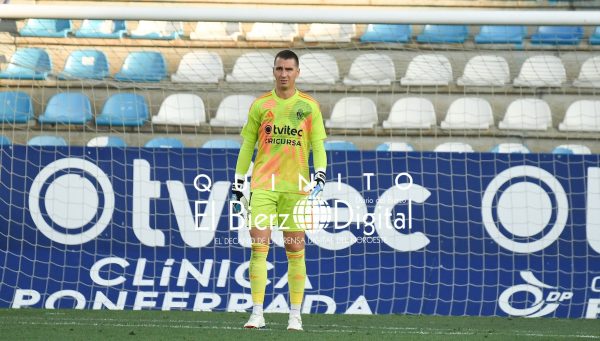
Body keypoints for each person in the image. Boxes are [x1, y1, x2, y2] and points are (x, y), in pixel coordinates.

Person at [231, 49, 327, 331]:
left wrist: (320, 173)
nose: (283, 74)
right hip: (262, 186)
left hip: (295, 190)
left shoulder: (309, 106)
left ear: (297, 72)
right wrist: (239, 183)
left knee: (295, 251)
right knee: (258, 249)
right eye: (279, 69)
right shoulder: (260, 105)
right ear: (273, 71)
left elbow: (318, 146)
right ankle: (257, 313)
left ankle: (295, 315)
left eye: (288, 69)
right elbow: (248, 145)